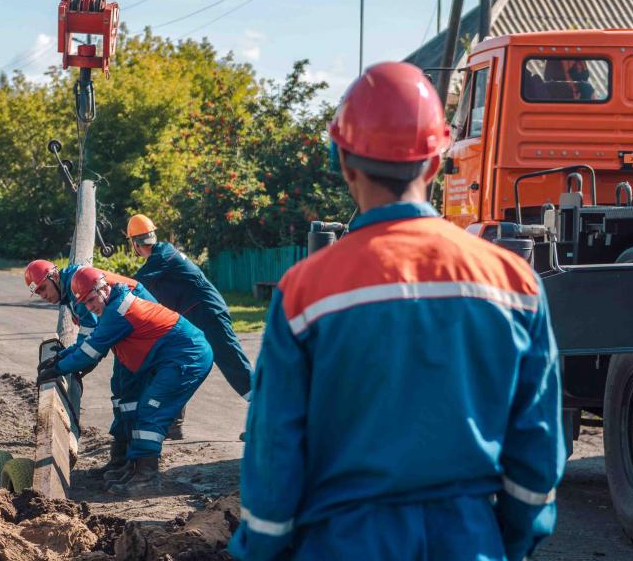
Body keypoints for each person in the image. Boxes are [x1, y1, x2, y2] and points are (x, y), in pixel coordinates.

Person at [230, 62, 564, 561]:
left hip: (342, 543)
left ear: (344, 162)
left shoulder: (305, 292)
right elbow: (537, 446)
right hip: (470, 539)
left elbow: (275, 448)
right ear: (434, 164)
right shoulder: (514, 283)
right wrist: (507, 540)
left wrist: (264, 547)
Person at [38, 266, 213, 495]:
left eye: (91, 300)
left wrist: (58, 368)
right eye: (85, 304)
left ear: (104, 288)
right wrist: (62, 357)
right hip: (174, 356)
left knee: (150, 411)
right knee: (134, 406)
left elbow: (89, 353)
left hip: (187, 358)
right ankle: (133, 467)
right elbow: (90, 343)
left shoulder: (118, 312)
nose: (91, 307)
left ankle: (147, 478)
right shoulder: (112, 306)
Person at [126, 214, 253, 438]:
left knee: (235, 366)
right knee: (176, 363)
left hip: (209, 315)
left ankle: (269, 422)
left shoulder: (162, 257)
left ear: (134, 244)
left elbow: (132, 285)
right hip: (197, 318)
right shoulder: (161, 257)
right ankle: (173, 425)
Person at [23, 260, 153, 476]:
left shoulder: (79, 288)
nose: (43, 296)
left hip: (140, 334)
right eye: (38, 293)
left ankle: (134, 465)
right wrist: (64, 358)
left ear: (54, 277)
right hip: (129, 334)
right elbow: (89, 343)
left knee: (128, 395)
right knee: (121, 392)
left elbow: (91, 348)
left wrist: (63, 366)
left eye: (43, 288)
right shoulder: (73, 288)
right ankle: (120, 460)